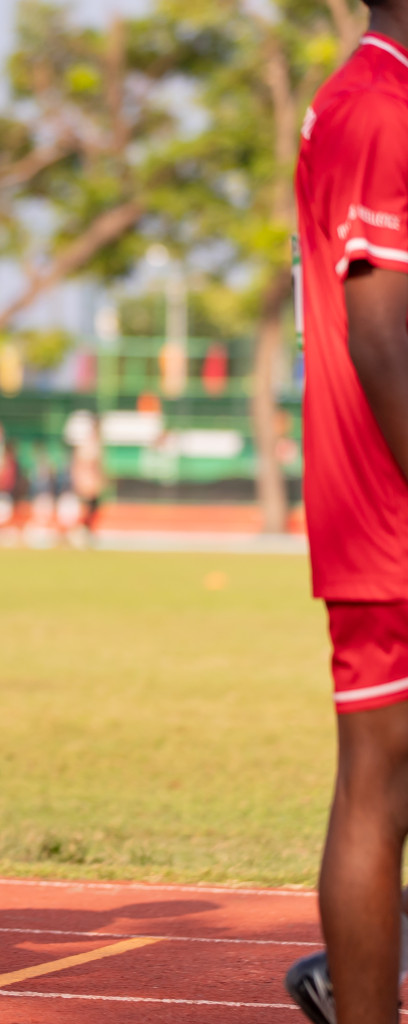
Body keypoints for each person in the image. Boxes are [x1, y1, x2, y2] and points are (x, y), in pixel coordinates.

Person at [284, 6, 408, 1023]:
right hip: (390, 516)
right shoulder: (376, 105)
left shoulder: (362, 99)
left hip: (377, 509)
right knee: (379, 783)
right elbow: (381, 339)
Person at [69, 412, 104, 544]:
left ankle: (86, 531)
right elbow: (83, 464)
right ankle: (79, 532)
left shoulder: (96, 441)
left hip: (92, 482)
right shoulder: (88, 441)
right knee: (86, 508)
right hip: (87, 482)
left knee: (93, 508)